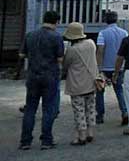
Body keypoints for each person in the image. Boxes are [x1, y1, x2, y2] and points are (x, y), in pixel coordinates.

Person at [19, 11, 64, 150]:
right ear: (56, 22)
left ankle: (25, 141)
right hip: (50, 75)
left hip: (33, 75)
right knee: (48, 108)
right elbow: (60, 58)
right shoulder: (56, 37)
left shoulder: (30, 35)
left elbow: (22, 54)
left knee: (30, 108)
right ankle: (46, 140)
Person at [62, 22, 98, 146]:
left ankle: (81, 136)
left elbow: (65, 65)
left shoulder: (72, 50)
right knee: (91, 108)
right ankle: (90, 133)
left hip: (76, 84)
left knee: (79, 110)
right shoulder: (91, 44)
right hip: (91, 82)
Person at [96, 10, 128, 125]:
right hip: (120, 66)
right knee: (119, 90)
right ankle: (124, 112)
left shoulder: (102, 33)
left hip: (105, 66)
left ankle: (100, 115)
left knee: (100, 90)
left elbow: (100, 51)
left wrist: (98, 67)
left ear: (106, 21)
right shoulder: (124, 33)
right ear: (117, 20)